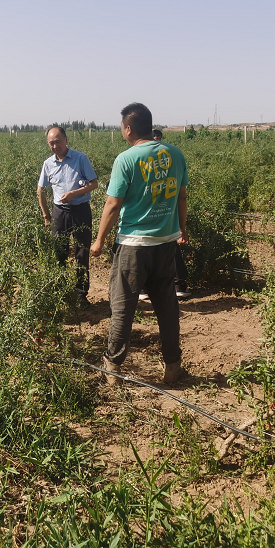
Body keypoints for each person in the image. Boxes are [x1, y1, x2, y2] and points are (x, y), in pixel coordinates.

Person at [90, 104, 189, 384]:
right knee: (167, 308)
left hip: (133, 245)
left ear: (128, 129)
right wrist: (182, 230)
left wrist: (99, 240)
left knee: (122, 307)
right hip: (166, 243)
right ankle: (172, 367)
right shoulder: (175, 154)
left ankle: (113, 368)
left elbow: (113, 204)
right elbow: (182, 197)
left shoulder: (126, 159)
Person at [37, 126, 99, 307]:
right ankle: (62, 291)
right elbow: (40, 190)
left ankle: (81, 294)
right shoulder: (48, 164)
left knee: (82, 252)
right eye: (51, 143)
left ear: (66, 139)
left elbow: (94, 184)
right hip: (59, 212)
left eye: (58, 141)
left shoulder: (81, 158)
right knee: (59, 252)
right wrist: (46, 215)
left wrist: (74, 193)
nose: (55, 146)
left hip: (81, 211)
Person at [139, 129, 191, 300]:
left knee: (153, 248)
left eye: (159, 139)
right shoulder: (174, 156)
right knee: (165, 247)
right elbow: (181, 195)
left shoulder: (138, 157)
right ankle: (163, 286)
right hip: (164, 214)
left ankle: (175, 284)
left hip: (153, 215)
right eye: (154, 138)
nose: (157, 142)